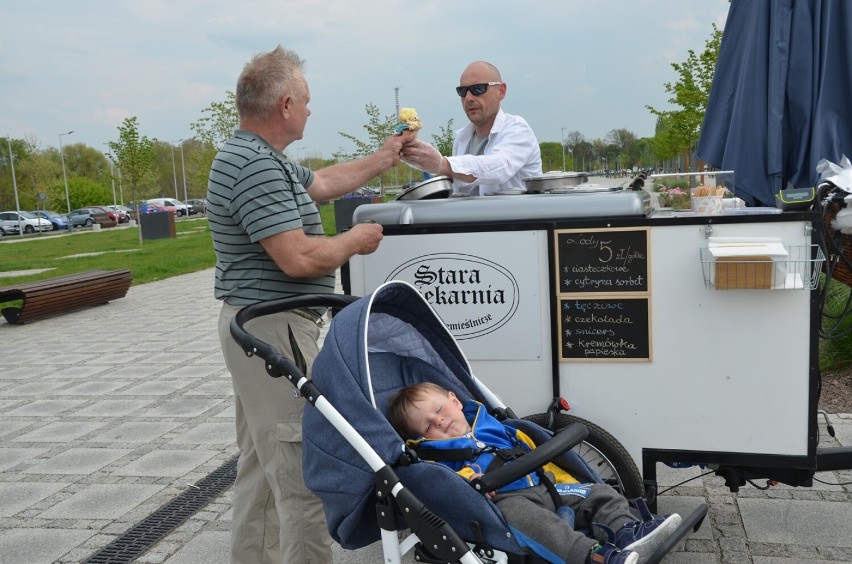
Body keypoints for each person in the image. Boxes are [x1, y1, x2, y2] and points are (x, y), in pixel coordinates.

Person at [207, 45, 406, 564]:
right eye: (309, 101)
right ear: (286, 104)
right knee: (302, 474)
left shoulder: (265, 159)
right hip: (271, 330)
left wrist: (385, 157)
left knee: (260, 467)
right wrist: (355, 239)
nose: (312, 111)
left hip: (264, 329)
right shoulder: (252, 165)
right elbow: (296, 257)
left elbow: (324, 183)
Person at [387, 383, 682, 564]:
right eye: (427, 426)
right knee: (539, 526)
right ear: (421, 438)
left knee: (599, 493)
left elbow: (529, 440)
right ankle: (594, 556)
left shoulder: (492, 423)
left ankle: (628, 532)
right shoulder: (436, 456)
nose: (439, 421)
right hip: (508, 501)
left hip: (548, 485)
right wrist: (470, 484)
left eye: (439, 409)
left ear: (455, 400)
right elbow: (443, 487)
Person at [400, 60, 542, 195]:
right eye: (462, 91)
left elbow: (499, 167)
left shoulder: (517, 129)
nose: (468, 98)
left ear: (501, 91)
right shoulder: (462, 139)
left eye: (478, 89)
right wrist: (414, 157)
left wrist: (442, 164)